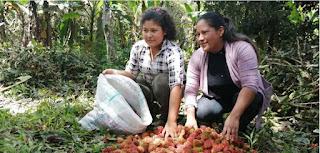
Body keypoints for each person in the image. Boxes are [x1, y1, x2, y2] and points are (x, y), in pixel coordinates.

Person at [184, 12, 272, 141]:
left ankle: (237, 126)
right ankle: (220, 124)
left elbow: (250, 86)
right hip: (217, 99)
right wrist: (190, 117)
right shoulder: (198, 56)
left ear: (220, 31)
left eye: (204, 32)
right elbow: (191, 89)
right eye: (198, 34)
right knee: (202, 112)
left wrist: (234, 116)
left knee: (253, 100)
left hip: (241, 97)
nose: (200, 38)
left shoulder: (242, 49)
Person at [102, 7, 185, 138]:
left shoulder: (173, 51)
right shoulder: (138, 47)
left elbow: (176, 85)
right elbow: (131, 74)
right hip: (149, 88)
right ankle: (149, 116)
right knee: (136, 83)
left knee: (160, 81)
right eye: (145, 30)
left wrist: (172, 121)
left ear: (164, 31)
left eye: (154, 30)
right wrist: (114, 72)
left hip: (167, 90)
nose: (149, 35)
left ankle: (165, 116)